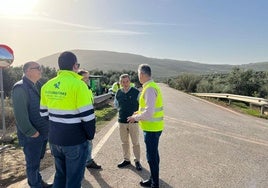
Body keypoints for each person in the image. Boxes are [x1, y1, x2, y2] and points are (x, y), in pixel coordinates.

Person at [40, 51, 96, 188]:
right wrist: (90, 136)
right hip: (74, 140)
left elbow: (43, 114)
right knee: (74, 180)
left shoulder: (47, 85)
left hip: (54, 139)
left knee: (60, 176)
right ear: (75, 66)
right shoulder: (79, 85)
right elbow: (88, 117)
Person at [12, 61, 52, 188]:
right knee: (32, 163)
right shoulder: (20, 88)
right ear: (28, 71)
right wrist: (31, 132)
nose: (41, 70)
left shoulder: (38, 85)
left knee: (37, 161)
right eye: (37, 68)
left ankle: (39, 182)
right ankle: (35, 185)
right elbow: (20, 115)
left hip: (41, 133)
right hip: (32, 135)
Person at [127, 64, 164, 188]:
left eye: (138, 74)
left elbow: (149, 113)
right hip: (153, 127)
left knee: (151, 157)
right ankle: (153, 179)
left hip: (152, 128)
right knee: (154, 155)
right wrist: (138, 113)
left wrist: (134, 118)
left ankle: (155, 184)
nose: (138, 77)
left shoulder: (149, 89)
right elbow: (148, 109)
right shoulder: (150, 86)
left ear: (142, 74)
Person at [114, 74, 142, 171]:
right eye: (123, 82)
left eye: (127, 81)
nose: (125, 84)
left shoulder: (136, 92)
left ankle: (137, 161)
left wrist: (136, 116)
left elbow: (141, 106)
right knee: (124, 142)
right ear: (120, 82)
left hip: (133, 121)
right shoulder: (118, 92)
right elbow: (116, 105)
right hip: (122, 121)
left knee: (135, 142)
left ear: (130, 82)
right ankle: (126, 160)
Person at [78, 69, 102, 169]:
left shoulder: (87, 88)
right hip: (80, 121)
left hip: (87, 119)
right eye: (85, 78)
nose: (87, 79)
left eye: (88, 77)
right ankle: (82, 163)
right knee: (82, 144)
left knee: (89, 142)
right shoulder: (79, 88)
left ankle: (88, 161)